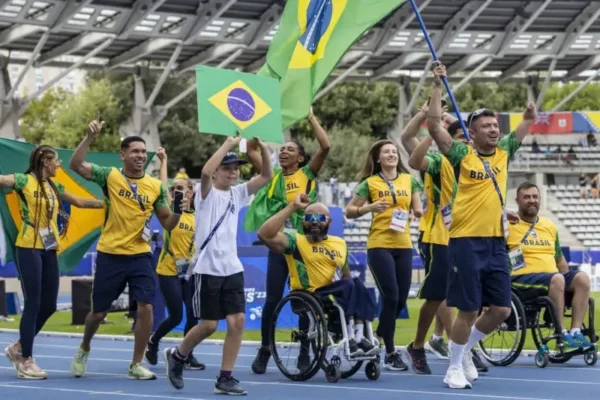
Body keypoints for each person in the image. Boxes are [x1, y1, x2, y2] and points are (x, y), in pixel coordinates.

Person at [426, 62, 535, 389]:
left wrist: (529, 116)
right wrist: (436, 86)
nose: (493, 129)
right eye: (485, 126)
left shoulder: (504, 151)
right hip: (466, 241)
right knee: (470, 310)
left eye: (495, 125)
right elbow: (434, 128)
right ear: (472, 133)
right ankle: (454, 367)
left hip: (496, 243)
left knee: (501, 310)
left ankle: (462, 351)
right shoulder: (461, 155)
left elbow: (525, 124)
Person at [68, 118, 185, 380]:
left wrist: (178, 212)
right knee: (98, 314)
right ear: (123, 155)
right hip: (110, 254)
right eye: (135, 151)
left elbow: (167, 222)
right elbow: (75, 165)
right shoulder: (110, 175)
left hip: (140, 255)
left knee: (147, 308)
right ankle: (84, 347)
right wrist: (88, 138)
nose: (141, 156)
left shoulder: (155, 187)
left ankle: (135, 363)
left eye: (144, 152)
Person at [163, 134, 273, 395]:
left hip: (232, 268)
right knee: (209, 325)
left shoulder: (238, 194)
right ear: (217, 173)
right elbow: (204, 172)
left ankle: (225, 377)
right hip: (207, 269)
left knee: (237, 322)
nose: (233, 173)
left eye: (236, 168)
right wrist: (229, 144)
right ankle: (177, 356)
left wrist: (265, 149)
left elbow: (267, 176)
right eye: (227, 168)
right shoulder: (205, 193)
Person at [2, 145, 104, 379]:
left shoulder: (54, 186)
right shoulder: (23, 180)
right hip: (28, 247)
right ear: (45, 162)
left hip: (49, 248)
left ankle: (17, 347)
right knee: (33, 303)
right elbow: (2, 179)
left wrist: (107, 204)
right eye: (56, 161)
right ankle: (26, 360)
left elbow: (79, 201)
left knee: (49, 305)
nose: (59, 164)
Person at [245, 109, 330, 374]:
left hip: (305, 245)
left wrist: (311, 117)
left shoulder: (307, 174)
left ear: (301, 158)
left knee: (304, 299)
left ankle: (305, 351)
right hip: (278, 243)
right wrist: (255, 128)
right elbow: (249, 151)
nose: (283, 152)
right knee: (272, 300)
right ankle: (265, 349)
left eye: (290, 150)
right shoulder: (270, 176)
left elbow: (326, 146)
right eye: (281, 149)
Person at [257, 193, 378, 360]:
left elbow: (346, 276)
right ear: (303, 222)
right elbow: (264, 234)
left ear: (329, 221)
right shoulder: (295, 240)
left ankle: (359, 337)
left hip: (330, 293)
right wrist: (292, 207)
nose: (315, 221)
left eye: (320, 217)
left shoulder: (339, 243)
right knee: (352, 285)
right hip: (308, 293)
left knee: (356, 284)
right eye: (310, 217)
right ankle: (350, 338)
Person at [345, 139, 423, 371]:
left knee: (400, 299)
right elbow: (350, 212)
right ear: (378, 159)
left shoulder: (410, 180)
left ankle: (379, 332)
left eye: (394, 151)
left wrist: (417, 212)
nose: (391, 154)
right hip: (379, 244)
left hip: (404, 244)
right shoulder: (369, 183)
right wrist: (368, 208)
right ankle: (390, 352)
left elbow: (417, 207)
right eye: (386, 152)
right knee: (391, 295)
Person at [509, 182, 593, 351]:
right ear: (517, 201)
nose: (531, 200)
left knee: (582, 278)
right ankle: (561, 331)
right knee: (557, 279)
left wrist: (567, 285)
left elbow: (559, 259)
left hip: (552, 278)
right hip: (520, 280)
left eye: (535, 197)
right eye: (526, 197)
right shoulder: (508, 225)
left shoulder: (549, 226)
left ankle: (575, 330)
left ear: (540, 200)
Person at [144, 148, 203, 370]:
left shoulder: (198, 215)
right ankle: (153, 341)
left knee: (194, 315)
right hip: (168, 269)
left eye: (182, 189)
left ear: (191, 192)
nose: (178, 192)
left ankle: (186, 353)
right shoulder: (171, 209)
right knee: (176, 316)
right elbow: (162, 183)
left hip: (189, 271)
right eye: (175, 189)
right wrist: (164, 161)